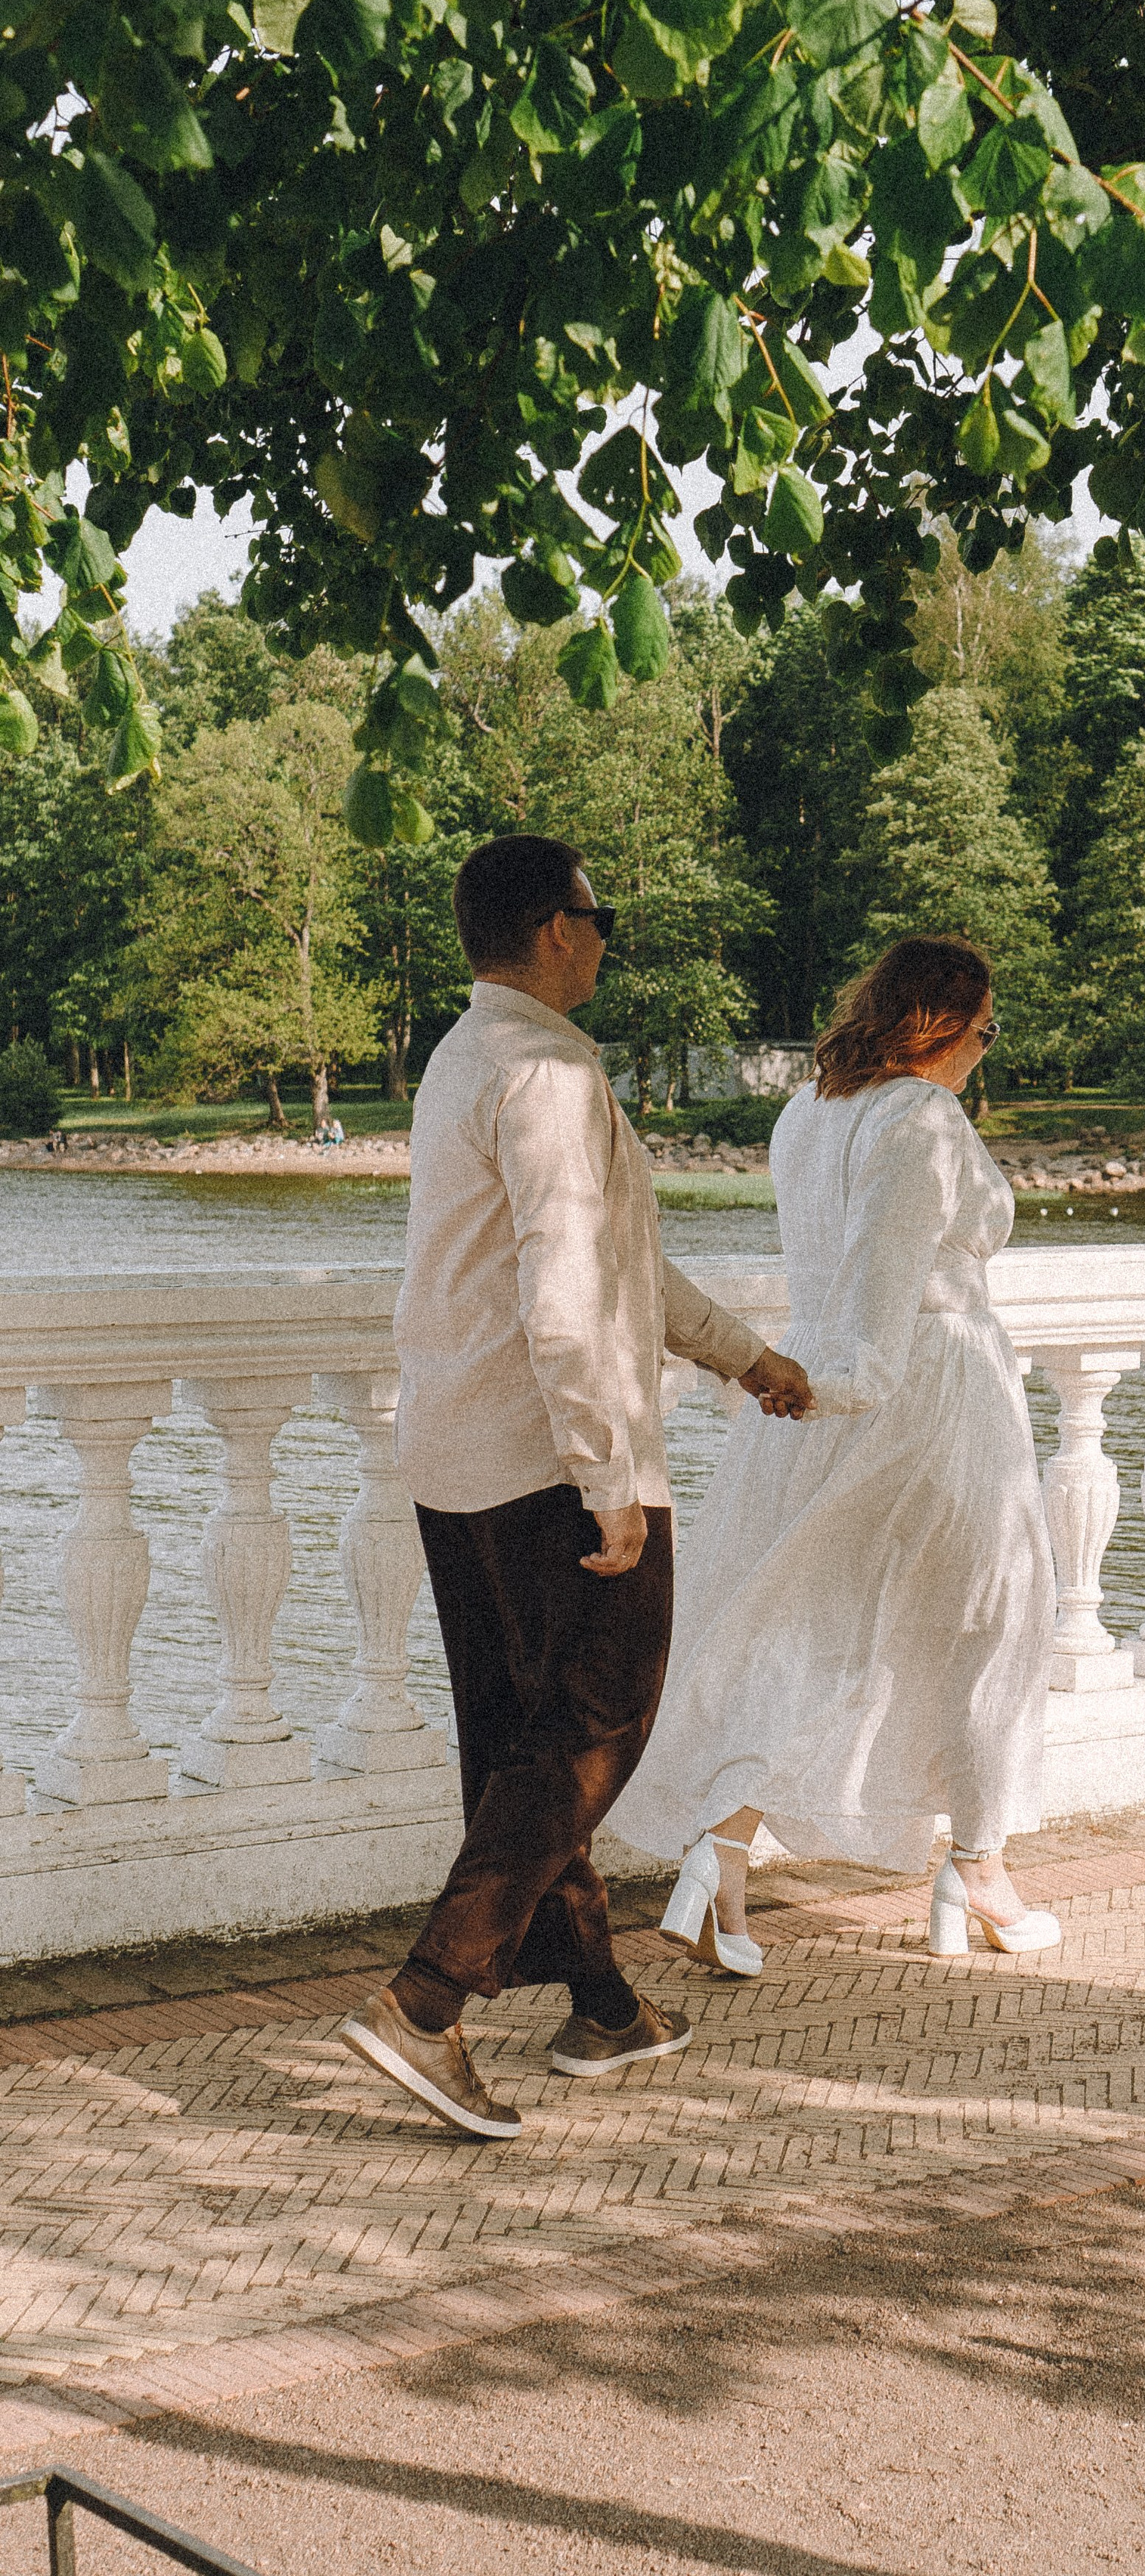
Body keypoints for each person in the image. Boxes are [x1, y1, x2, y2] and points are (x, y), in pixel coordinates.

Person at [339, 835, 813, 2141]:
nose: (606, 939)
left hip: (459, 1456)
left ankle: (602, 2004)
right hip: (552, 1463)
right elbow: (565, 1296)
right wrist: (610, 1476)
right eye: (601, 918)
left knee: (526, 1742)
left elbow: (618, 1268)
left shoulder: (463, 1055)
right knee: (598, 1728)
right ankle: (424, 2004)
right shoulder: (549, 1070)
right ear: (557, 927)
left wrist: (746, 1358)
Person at [605, 933, 1061, 1969]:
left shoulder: (807, 1110)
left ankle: (723, 1850)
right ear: (942, 1023)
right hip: (914, 1391)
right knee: (990, 1621)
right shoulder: (923, 1119)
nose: (985, 1050)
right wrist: (842, 1393)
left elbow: (845, 1268)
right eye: (985, 1029)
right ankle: (978, 1868)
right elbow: (886, 1280)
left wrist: (809, 1385)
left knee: (804, 1620)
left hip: (813, 1378)